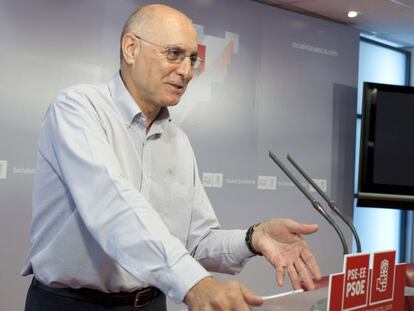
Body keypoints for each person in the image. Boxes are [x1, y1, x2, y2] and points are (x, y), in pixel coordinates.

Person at [22, 4, 322, 311]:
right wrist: (195, 283)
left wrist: (252, 237)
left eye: (193, 58)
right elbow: (113, 208)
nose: (187, 71)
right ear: (130, 48)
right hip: (73, 305)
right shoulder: (78, 108)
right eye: (174, 54)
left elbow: (196, 242)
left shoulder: (178, 141)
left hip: (152, 303)